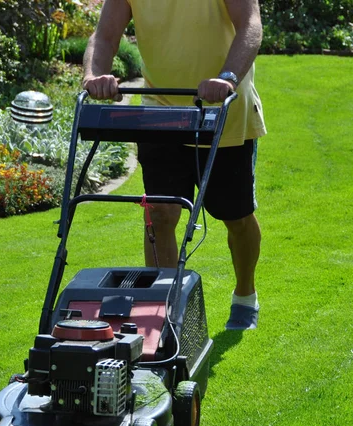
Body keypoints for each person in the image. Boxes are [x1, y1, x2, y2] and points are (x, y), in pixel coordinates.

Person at [82, 0, 267, 330]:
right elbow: (105, 36)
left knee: (235, 216)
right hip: (161, 111)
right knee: (160, 213)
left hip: (223, 112)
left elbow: (250, 25)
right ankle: (163, 309)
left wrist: (227, 77)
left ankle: (245, 295)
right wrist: (95, 74)